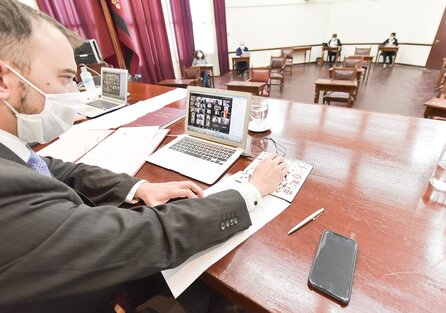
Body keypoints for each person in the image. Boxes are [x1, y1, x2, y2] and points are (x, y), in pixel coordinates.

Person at [0, 1, 288, 312]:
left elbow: (56, 170)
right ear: (5, 81)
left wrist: (138, 188)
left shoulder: (13, 153)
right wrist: (251, 190)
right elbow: (147, 235)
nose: (76, 92)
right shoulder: (8, 194)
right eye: (66, 78)